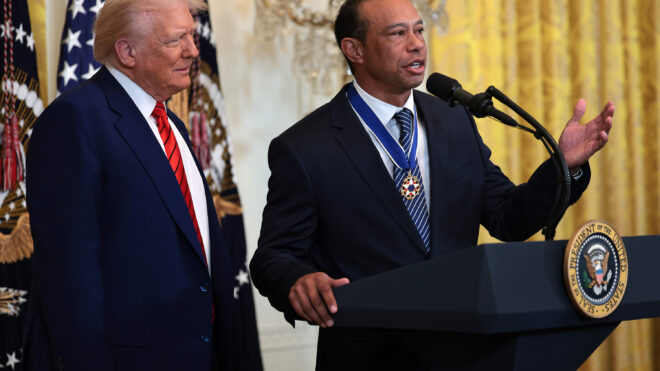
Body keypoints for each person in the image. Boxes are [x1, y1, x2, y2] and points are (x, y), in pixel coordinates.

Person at [250, 0, 615, 369]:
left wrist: (563, 166)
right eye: (398, 33)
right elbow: (272, 257)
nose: (417, 44)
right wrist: (298, 279)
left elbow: (509, 216)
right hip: (369, 358)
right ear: (354, 49)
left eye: (419, 29)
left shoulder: (455, 120)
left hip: (465, 352)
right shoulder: (305, 147)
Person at [23, 0, 234, 369]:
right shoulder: (74, 120)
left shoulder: (171, 125)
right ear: (127, 51)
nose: (193, 50)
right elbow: (70, 277)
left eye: (192, 35)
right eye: (176, 40)